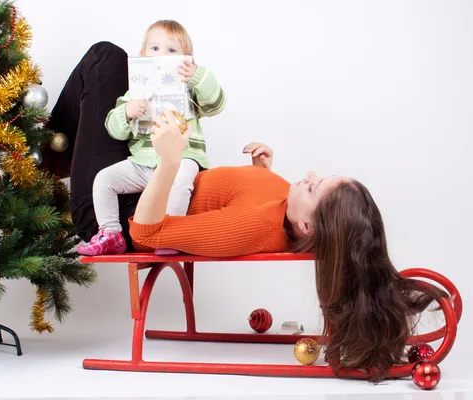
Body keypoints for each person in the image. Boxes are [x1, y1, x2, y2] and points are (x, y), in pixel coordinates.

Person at [127, 110, 448, 382]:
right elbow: (244, 205)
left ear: (307, 226)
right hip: (147, 175)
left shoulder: (254, 225)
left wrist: (169, 162)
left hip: (128, 200)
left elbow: (145, 234)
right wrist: (259, 175)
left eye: (312, 187)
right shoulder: (286, 208)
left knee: (104, 59)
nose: (308, 174)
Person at [76, 20, 226, 256]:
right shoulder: (135, 92)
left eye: (172, 50)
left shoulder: (190, 87)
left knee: (181, 181)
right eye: (154, 49)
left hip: (181, 158)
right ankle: (110, 233)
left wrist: (197, 76)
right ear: (142, 55)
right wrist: (126, 113)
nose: (162, 56)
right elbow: (114, 129)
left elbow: (216, 103)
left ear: (186, 58)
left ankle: (171, 233)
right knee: (103, 179)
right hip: (143, 162)